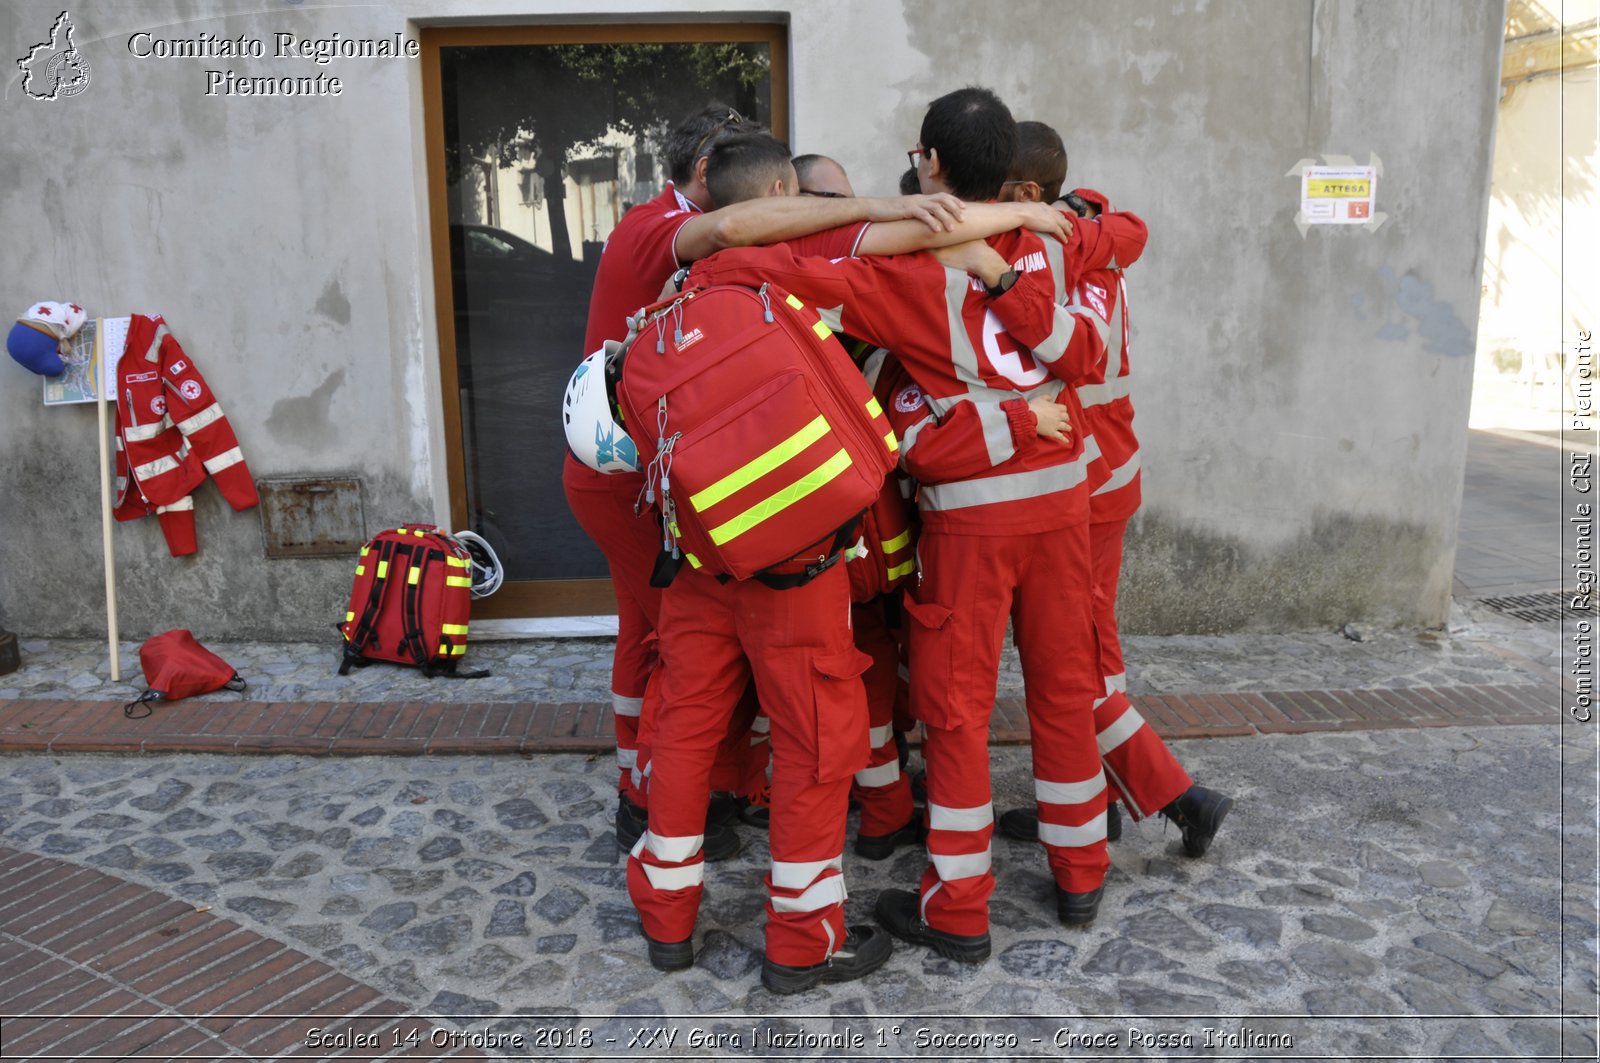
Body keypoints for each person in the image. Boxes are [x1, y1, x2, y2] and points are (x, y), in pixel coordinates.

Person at [686, 86, 1135, 959]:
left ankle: (959, 906)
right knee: (1064, 686)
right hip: (1062, 505)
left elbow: (764, 262)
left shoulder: (896, 270)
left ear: (927, 164)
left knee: (957, 712)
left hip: (970, 522)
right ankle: (1081, 870)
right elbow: (1090, 329)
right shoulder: (1046, 240)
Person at [566, 104, 969, 859]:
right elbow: (748, 234)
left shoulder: (702, 266)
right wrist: (906, 208)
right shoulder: (678, 231)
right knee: (742, 685)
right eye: (800, 200)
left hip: (675, 498)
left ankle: (669, 836)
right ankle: (669, 811)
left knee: (676, 664)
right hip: (665, 495)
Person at [989, 121, 1234, 857]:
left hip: (1082, 487)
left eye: (998, 194)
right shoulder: (1086, 234)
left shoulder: (1057, 251)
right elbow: (1127, 231)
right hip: (1098, 477)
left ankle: (1177, 796)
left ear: (1031, 195)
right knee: (1081, 654)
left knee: (1076, 661)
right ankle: (1088, 802)